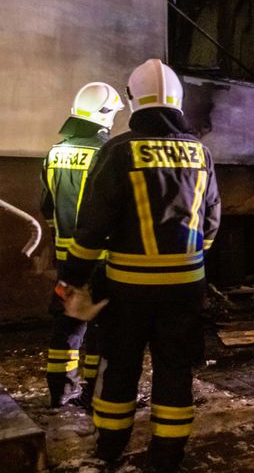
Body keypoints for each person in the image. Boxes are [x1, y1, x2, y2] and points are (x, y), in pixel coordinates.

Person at [60, 59, 221, 471]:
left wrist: (72, 280)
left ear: (133, 102)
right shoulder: (201, 152)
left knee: (121, 369)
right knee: (174, 371)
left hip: (128, 289)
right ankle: (167, 458)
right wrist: (187, 260)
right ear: (177, 101)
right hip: (186, 288)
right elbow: (212, 220)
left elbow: (92, 227)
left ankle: (110, 449)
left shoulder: (117, 151)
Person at [42, 82, 123, 408]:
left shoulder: (55, 153)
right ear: (103, 114)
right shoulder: (107, 154)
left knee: (67, 323)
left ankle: (61, 391)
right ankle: (94, 392)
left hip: (67, 260)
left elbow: (48, 209)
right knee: (101, 327)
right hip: (101, 258)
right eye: (114, 113)